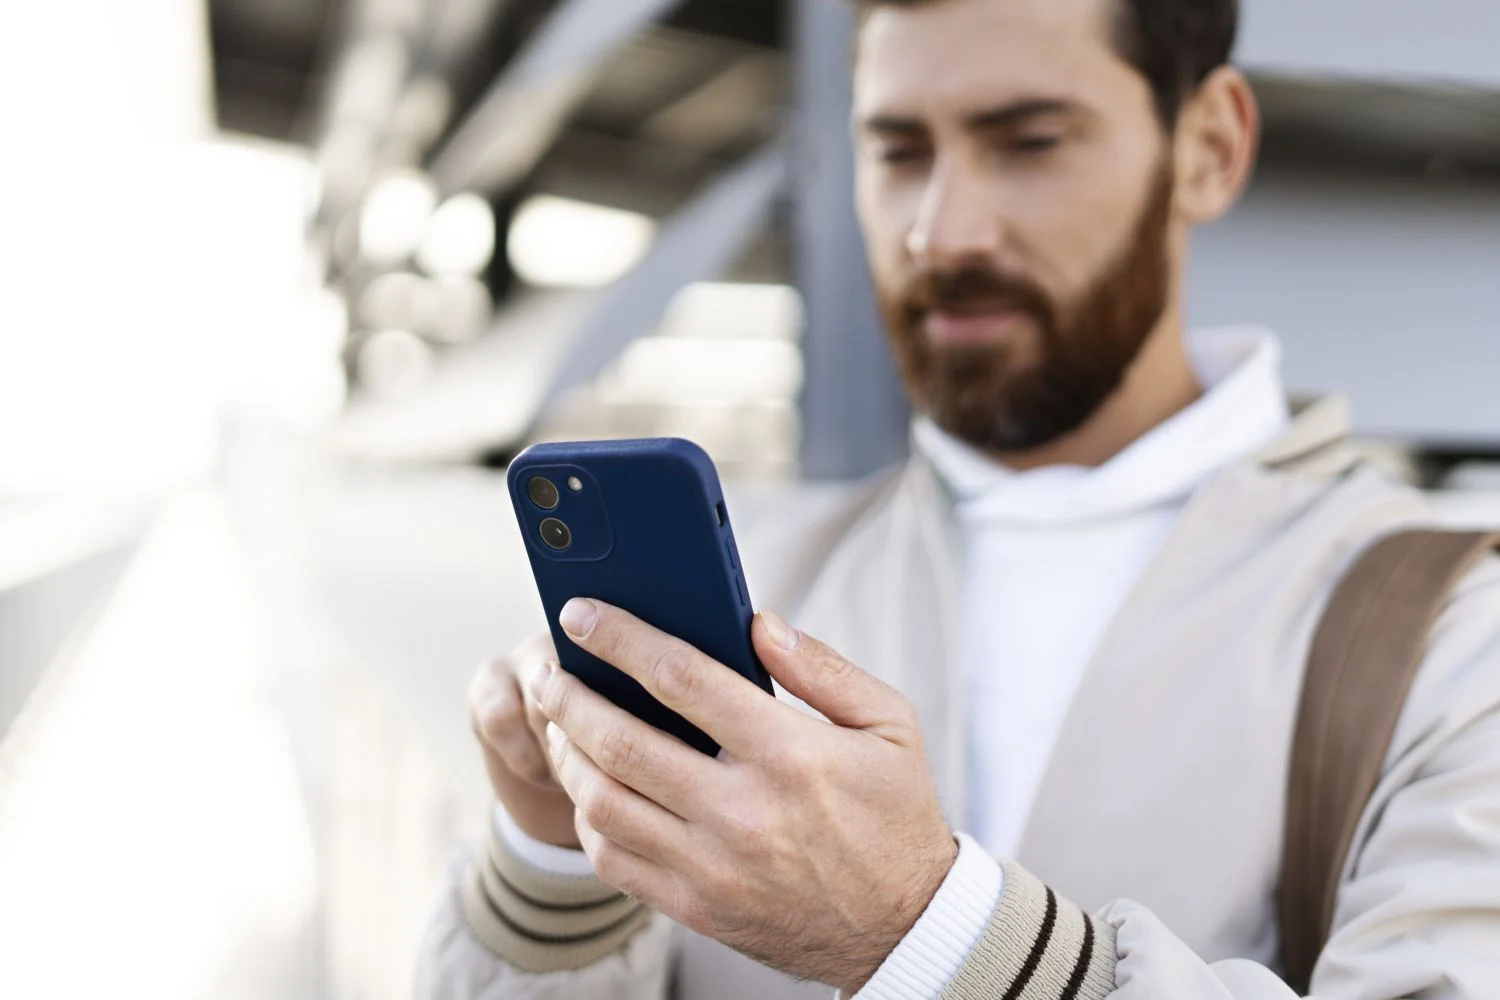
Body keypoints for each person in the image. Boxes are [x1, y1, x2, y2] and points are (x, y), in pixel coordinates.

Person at [416, 0, 1500, 997]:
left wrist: (922, 929)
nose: (942, 230)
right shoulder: (770, 585)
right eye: (898, 151)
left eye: (1029, 142)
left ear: (1209, 146)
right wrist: (552, 865)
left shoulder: (1449, 634)